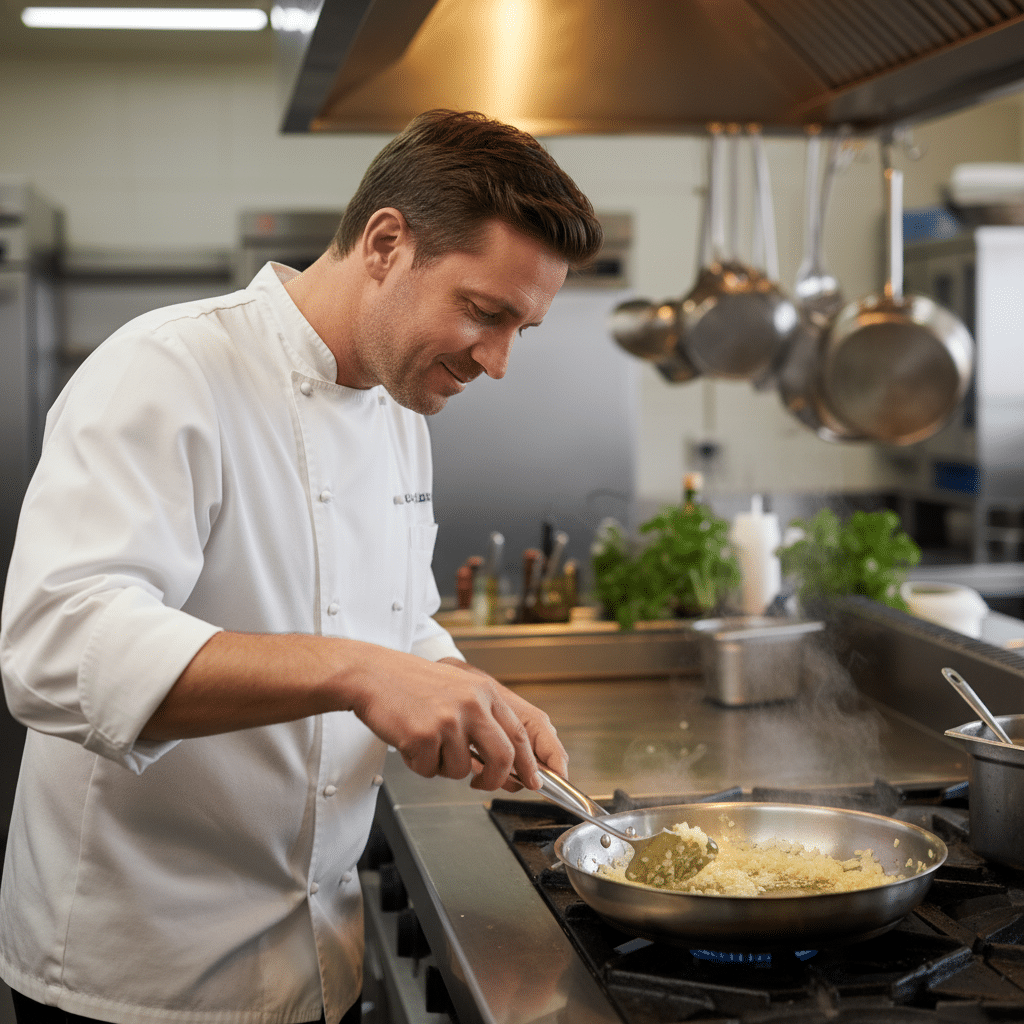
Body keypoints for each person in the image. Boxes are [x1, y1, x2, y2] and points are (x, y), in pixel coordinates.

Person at [0, 109, 603, 1024]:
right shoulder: (169, 369)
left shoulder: (401, 404)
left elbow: (391, 616)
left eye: (522, 328)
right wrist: (362, 674)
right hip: (139, 975)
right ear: (386, 243)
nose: (500, 361)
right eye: (484, 312)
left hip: (319, 958)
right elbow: (54, 647)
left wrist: (452, 679)